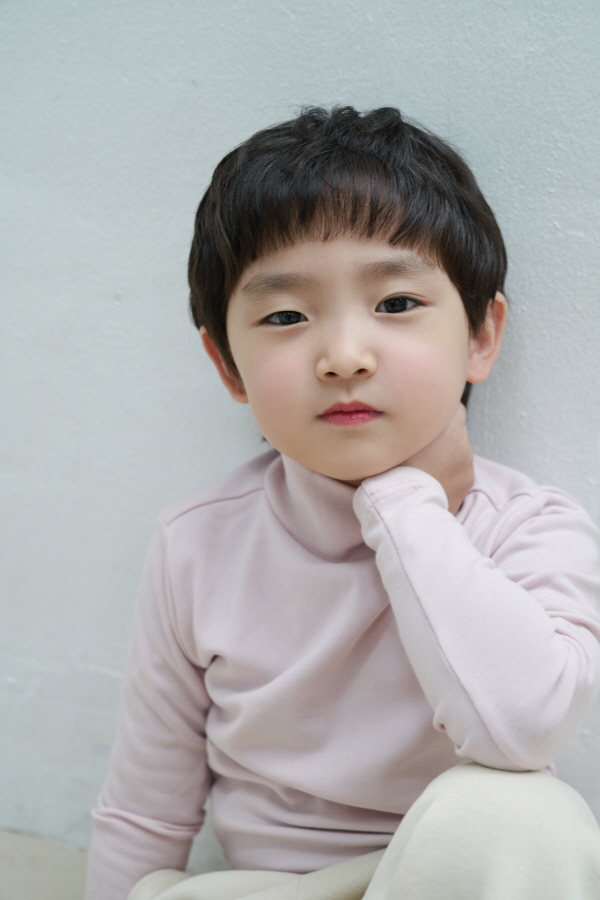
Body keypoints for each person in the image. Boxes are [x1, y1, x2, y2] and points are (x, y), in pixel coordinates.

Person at [84, 106, 600, 900]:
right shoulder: (198, 541)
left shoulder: (530, 527)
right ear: (228, 367)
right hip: (271, 889)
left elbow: (522, 728)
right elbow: (143, 813)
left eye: (395, 304)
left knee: (523, 815)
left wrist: (404, 503)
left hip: (444, 879)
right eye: (286, 316)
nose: (344, 357)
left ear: (480, 336)